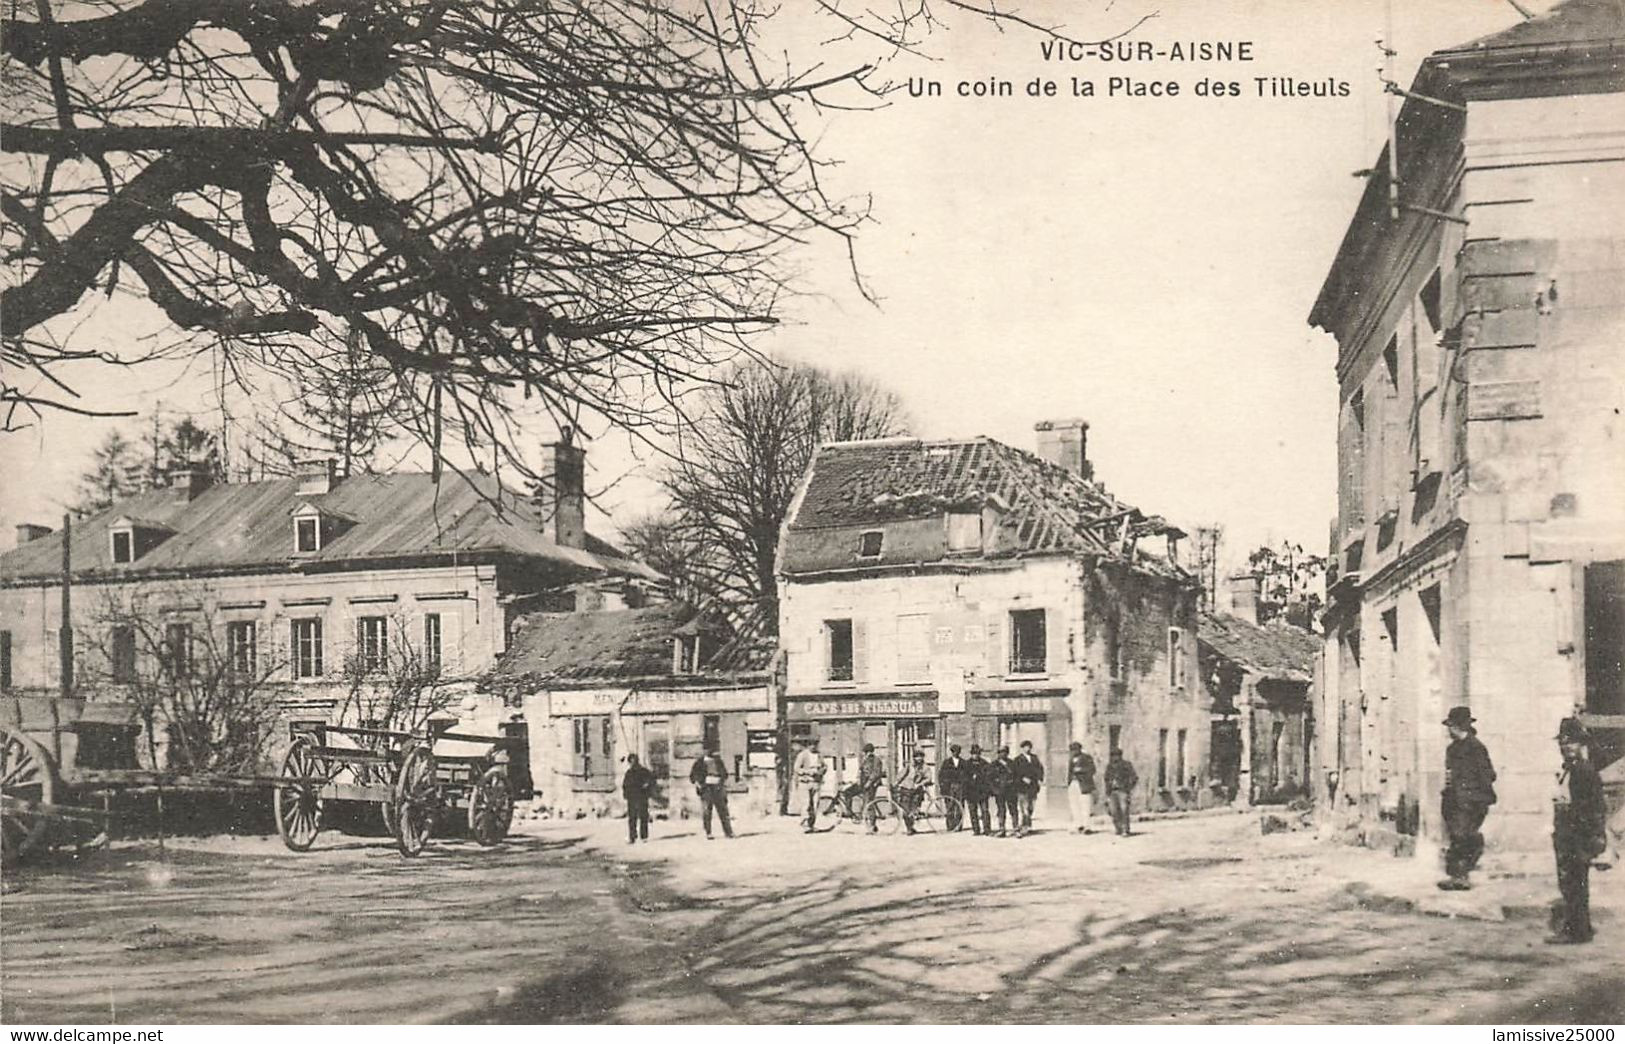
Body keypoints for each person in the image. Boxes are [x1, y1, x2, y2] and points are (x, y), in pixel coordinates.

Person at [1550, 717, 1605, 944]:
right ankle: (1581, 927)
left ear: (1581, 745)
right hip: (1568, 834)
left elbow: (1593, 807)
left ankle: (1576, 931)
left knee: (1574, 884)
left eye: (1571, 742)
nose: (1566, 747)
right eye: (1563, 743)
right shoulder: (1570, 769)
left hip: (1577, 836)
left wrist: (1585, 834)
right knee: (1573, 883)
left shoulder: (1584, 770)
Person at [1439, 706, 1497, 891]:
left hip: (1472, 801)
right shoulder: (1452, 749)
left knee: (1464, 836)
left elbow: (1489, 774)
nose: (1449, 730)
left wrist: (1473, 794)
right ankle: (1457, 876)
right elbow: (1450, 776)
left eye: (1451, 726)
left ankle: (1462, 875)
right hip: (1454, 801)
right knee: (1456, 836)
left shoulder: (1476, 748)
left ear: (1458, 727)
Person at [688, 746, 735, 840]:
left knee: (723, 810)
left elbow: (724, 774)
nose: (707, 751)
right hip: (706, 789)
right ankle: (708, 832)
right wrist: (699, 784)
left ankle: (728, 832)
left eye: (709, 750)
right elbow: (692, 777)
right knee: (707, 811)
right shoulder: (699, 763)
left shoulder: (718, 762)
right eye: (705, 750)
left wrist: (721, 781)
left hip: (718, 788)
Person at [843, 742, 888, 833]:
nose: (866, 754)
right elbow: (860, 771)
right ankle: (851, 814)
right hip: (862, 783)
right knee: (847, 792)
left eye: (867, 752)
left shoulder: (876, 760)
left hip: (871, 784)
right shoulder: (865, 759)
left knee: (869, 804)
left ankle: (872, 826)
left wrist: (869, 783)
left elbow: (876, 773)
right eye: (866, 752)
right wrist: (858, 780)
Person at [1012, 739, 1045, 837]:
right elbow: (1014, 773)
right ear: (1022, 748)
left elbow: (1040, 769)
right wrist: (1022, 778)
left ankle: (1028, 824)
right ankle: (1024, 826)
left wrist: (1039, 778)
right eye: (1025, 747)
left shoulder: (1034, 758)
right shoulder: (1017, 760)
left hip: (1033, 787)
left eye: (1029, 747)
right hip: (1022, 788)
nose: (1027, 749)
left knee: (1031, 807)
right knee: (1024, 808)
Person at [622, 753, 657, 844]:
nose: (632, 763)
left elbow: (652, 780)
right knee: (632, 818)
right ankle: (632, 836)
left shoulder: (644, 771)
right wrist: (626, 795)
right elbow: (625, 785)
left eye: (634, 761)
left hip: (642, 797)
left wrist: (647, 786)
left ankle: (644, 836)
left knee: (643, 817)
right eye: (631, 762)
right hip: (632, 798)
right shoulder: (629, 773)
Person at [894, 750, 931, 835]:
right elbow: (901, 775)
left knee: (913, 810)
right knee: (906, 809)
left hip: (917, 791)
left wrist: (920, 784)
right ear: (914, 758)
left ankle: (911, 826)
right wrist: (896, 783)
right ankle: (909, 828)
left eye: (920, 757)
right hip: (906, 788)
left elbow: (928, 778)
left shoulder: (925, 768)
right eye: (917, 757)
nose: (919, 759)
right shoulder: (909, 766)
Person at [793, 737, 826, 833]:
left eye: (815, 744)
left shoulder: (819, 755)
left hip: (816, 783)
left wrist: (821, 772)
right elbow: (797, 768)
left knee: (815, 804)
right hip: (805, 783)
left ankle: (812, 824)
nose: (814, 746)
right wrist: (808, 772)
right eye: (812, 744)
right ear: (808, 745)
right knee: (806, 804)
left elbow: (824, 766)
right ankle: (805, 824)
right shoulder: (802, 755)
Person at [1104, 748, 1137, 836]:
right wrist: (1107, 793)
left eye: (1116, 756)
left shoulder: (1126, 765)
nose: (1115, 758)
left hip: (1123, 791)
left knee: (1124, 810)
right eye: (1113, 756)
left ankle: (1125, 829)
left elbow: (1134, 777)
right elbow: (1106, 779)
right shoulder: (1109, 766)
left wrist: (1128, 788)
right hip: (1112, 791)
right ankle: (1118, 828)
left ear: (1120, 756)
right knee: (1114, 811)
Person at [1066, 741, 1097, 834]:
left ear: (1080, 749)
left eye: (1075, 750)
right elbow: (1070, 772)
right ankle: (1078, 825)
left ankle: (1087, 826)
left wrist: (1081, 770)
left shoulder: (1087, 758)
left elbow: (1092, 770)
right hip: (1073, 784)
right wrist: (1069, 782)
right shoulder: (1071, 759)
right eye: (1072, 750)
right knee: (1074, 805)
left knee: (1085, 805)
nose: (1074, 752)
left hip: (1084, 784)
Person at [988, 746, 1018, 838]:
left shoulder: (1012, 764)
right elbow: (990, 779)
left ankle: (1016, 829)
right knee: (1001, 810)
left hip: (1011, 791)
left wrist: (1014, 786)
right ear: (998, 753)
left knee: (1013, 810)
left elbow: (1017, 776)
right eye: (1001, 752)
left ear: (1007, 753)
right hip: (1000, 791)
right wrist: (994, 790)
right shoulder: (994, 764)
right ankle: (1002, 829)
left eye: (1005, 752)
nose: (1003, 754)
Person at [964, 744, 992, 836]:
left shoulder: (984, 763)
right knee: (973, 811)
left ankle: (987, 829)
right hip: (971, 792)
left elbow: (988, 777)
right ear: (971, 754)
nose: (976, 755)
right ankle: (976, 829)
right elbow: (963, 778)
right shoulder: (967, 764)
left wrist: (980, 778)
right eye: (974, 753)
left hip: (982, 792)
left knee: (985, 811)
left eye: (977, 753)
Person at [938, 744, 967, 831]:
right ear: (951, 752)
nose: (955, 753)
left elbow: (966, 776)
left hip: (960, 787)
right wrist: (943, 787)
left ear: (959, 752)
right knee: (950, 806)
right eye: (954, 751)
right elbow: (941, 776)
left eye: (957, 752)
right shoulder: (946, 763)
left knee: (960, 806)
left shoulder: (963, 763)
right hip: (949, 787)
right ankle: (950, 826)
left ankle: (958, 826)